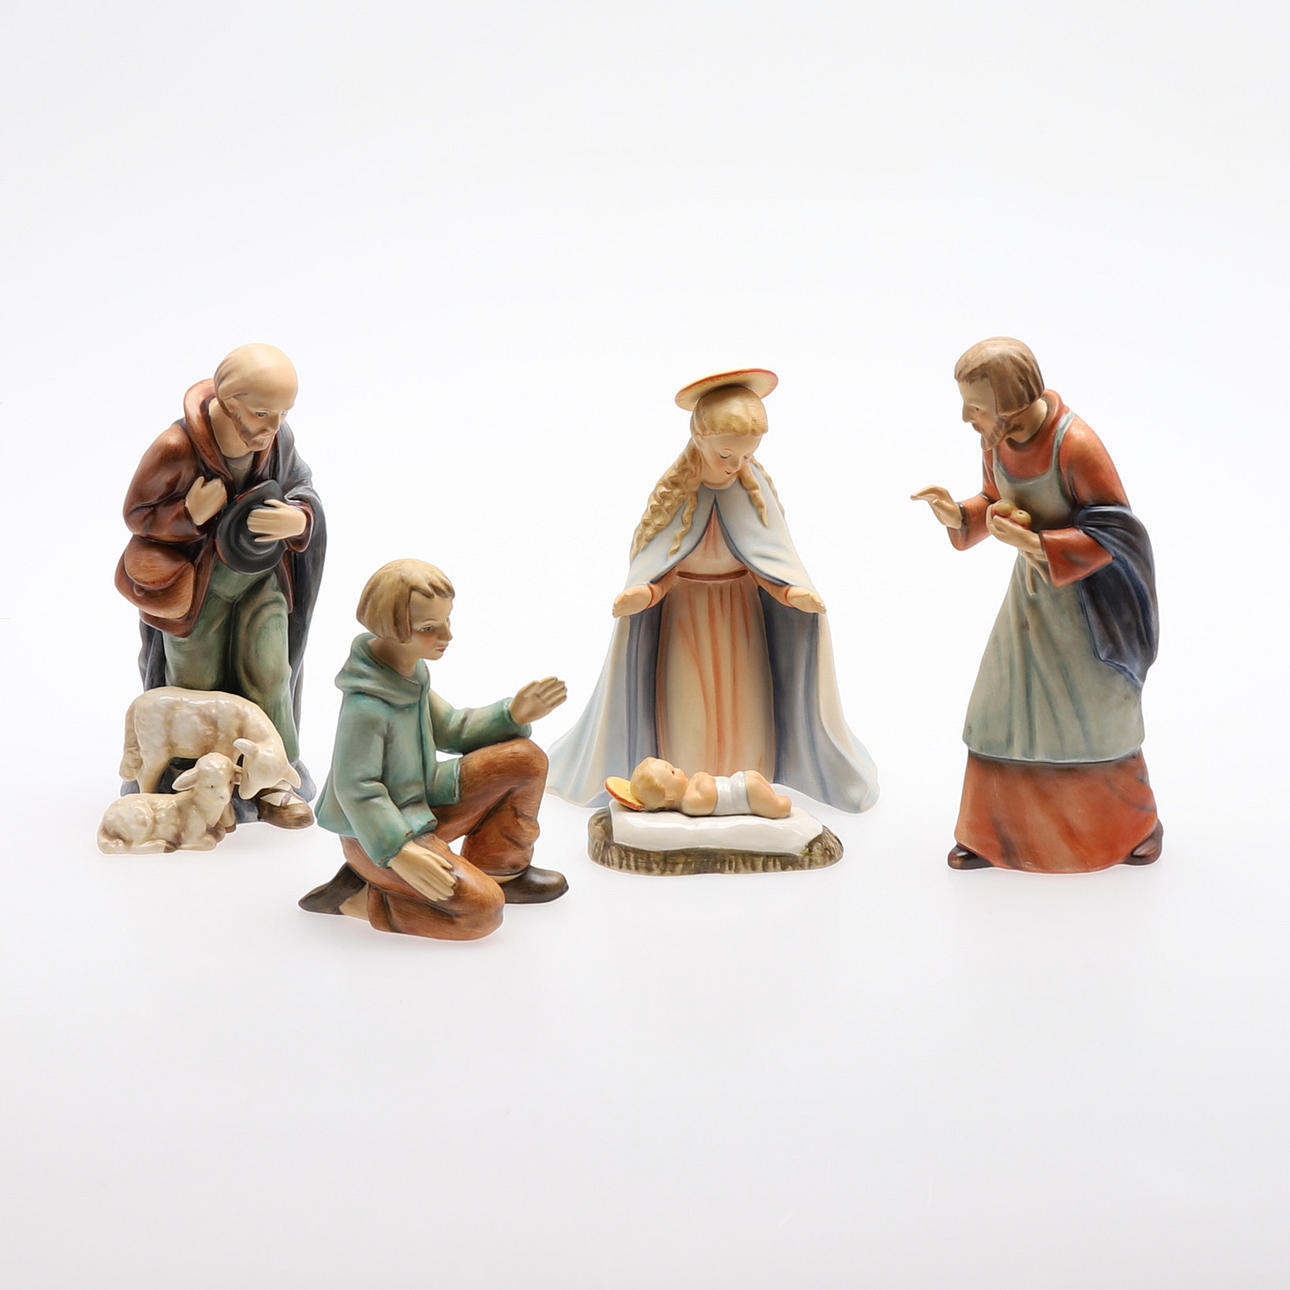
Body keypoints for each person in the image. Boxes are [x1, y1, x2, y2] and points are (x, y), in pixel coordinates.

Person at [548, 368, 877, 813]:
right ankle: (690, 796)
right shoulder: (676, 493)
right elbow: (661, 564)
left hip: (742, 616)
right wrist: (643, 594)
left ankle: (748, 793)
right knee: (691, 711)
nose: (736, 465)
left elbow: (770, 559)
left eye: (747, 455)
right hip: (686, 617)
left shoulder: (753, 490)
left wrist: (791, 594)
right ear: (699, 439)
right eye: (726, 454)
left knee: (746, 710)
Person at [913, 337, 1162, 873]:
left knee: (1092, 719)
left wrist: (1035, 543)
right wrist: (960, 515)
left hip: (1085, 609)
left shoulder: (1075, 446)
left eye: (976, 406)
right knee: (1002, 713)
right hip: (1028, 605)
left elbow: (1116, 532)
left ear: (1009, 402)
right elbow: (994, 500)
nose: (966, 418)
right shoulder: (996, 441)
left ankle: (1132, 826)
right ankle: (992, 835)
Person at [298, 559, 569, 941]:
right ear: (392, 628)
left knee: (525, 760)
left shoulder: (410, 673)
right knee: (483, 911)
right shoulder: (366, 707)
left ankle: (501, 870)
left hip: (423, 797)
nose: (447, 635)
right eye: (428, 628)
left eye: (446, 620)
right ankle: (362, 897)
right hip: (379, 834)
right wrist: (399, 851)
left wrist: (513, 713)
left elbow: (452, 728)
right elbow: (356, 789)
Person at [115, 343, 325, 827]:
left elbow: (302, 487)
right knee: (197, 683)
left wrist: (299, 518)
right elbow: (137, 514)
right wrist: (188, 514)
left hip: (260, 580)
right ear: (229, 402)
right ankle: (194, 782)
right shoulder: (177, 447)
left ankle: (273, 780)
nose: (273, 425)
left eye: (284, 412)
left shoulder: (278, 441)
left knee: (268, 671)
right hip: (198, 590)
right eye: (262, 412)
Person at [608, 757, 793, 818]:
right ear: (669, 795)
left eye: (673, 767)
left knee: (753, 776)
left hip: (735, 782)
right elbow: (709, 799)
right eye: (673, 772)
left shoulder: (689, 788)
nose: (679, 770)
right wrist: (703, 779)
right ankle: (778, 807)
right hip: (741, 796)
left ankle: (773, 798)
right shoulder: (688, 804)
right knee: (755, 786)